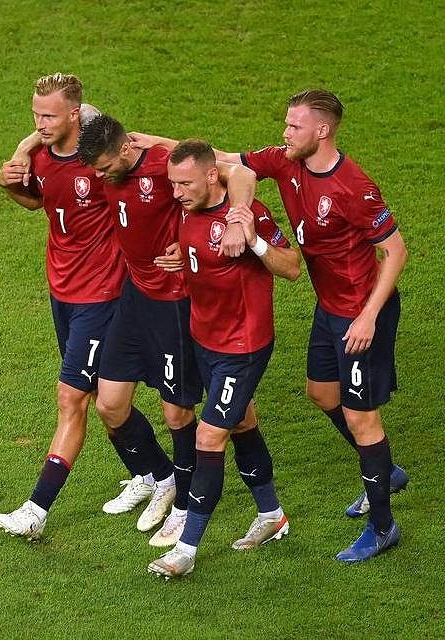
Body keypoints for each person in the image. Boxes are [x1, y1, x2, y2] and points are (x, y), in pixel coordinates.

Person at [132, 88, 409, 563]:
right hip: (331, 308)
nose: (285, 133)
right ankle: (385, 471)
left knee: (363, 419)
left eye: (294, 126)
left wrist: (367, 315)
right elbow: (221, 161)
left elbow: (396, 251)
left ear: (322, 130)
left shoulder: (354, 187)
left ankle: (382, 525)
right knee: (323, 394)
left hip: (362, 312)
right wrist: (150, 142)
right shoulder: (287, 163)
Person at [0, 73, 170, 540]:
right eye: (35, 114)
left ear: (76, 114)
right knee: (97, 398)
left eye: (49, 115)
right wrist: (10, 179)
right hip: (62, 291)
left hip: (104, 295)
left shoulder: (103, 163)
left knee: (72, 399)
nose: (40, 122)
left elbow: (152, 194)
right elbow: (38, 204)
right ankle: (156, 476)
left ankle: (35, 510)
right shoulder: (41, 157)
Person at [77, 116, 258, 546]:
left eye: (104, 167)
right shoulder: (109, 152)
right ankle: (162, 478)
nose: (99, 177)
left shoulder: (161, 165)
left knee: (177, 411)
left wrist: (237, 219)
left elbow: (241, 172)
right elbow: (72, 109)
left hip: (174, 302)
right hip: (134, 296)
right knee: (109, 404)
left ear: (124, 150)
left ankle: (181, 507)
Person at [146, 140, 301, 578]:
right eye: (173, 184)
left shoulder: (249, 215)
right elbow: (202, 252)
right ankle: (272, 515)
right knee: (242, 421)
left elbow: (291, 268)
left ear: (212, 176)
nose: (176, 192)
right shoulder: (187, 209)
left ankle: (186, 549)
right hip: (204, 339)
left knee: (209, 438)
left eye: (185, 184)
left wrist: (252, 241)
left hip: (242, 346)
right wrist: (186, 258)